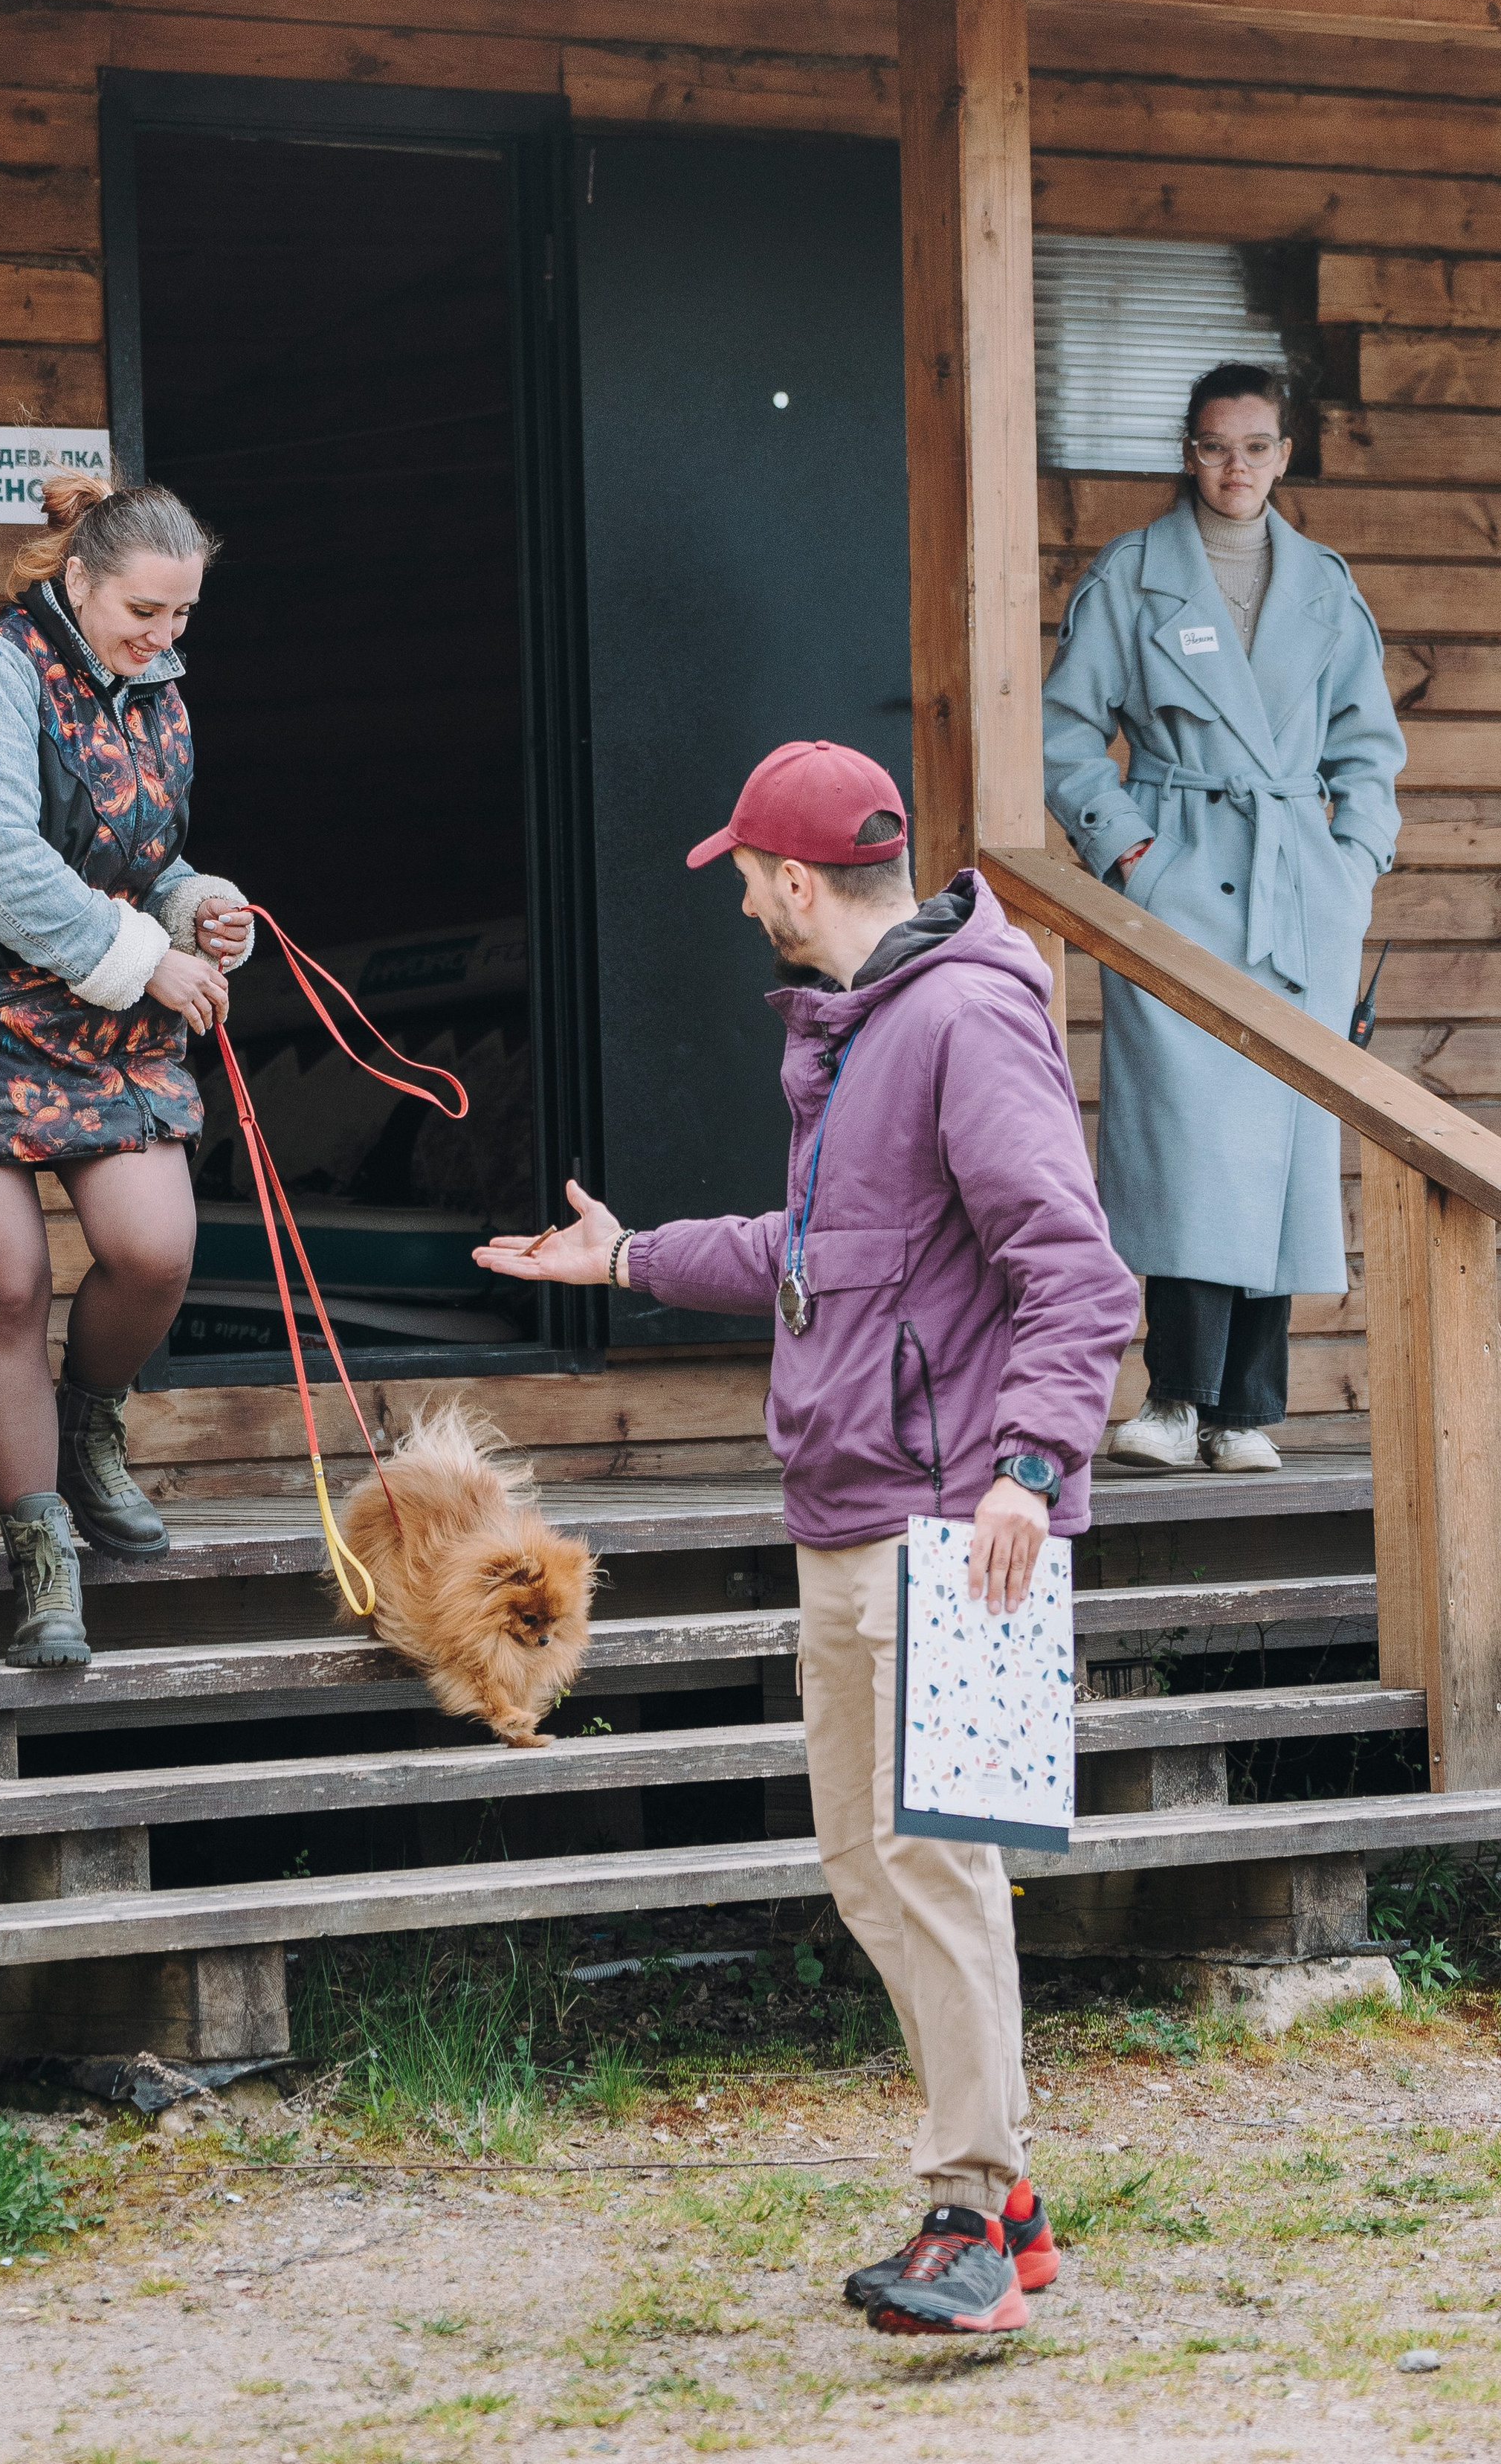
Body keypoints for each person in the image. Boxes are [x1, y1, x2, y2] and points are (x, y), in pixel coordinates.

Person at [476, 740, 1138, 2338]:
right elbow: (813, 1250)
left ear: (787, 878)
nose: (745, 901)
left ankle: (971, 2211)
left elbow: (1075, 1268)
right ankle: (1011, 2198)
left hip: (958, 1517)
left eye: (747, 876)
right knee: (863, 1858)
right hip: (843, 1503)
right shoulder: (858, 1031)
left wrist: (1025, 1469)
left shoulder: (963, 1016)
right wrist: (629, 1255)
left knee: (939, 1860)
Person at [0, 476, 254, 1668]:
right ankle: (41, 1553)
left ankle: (90, 1428)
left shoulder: (157, 696)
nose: (164, 636)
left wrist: (199, 908)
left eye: (181, 616)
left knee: (155, 1250)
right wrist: (146, 960)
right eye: (144, 610)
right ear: (77, 578)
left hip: (96, 1018)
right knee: (8, 1284)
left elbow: (144, 856)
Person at [1042, 362, 1405, 1475]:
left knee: (1289, 1142)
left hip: (1301, 886)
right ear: (1186, 451)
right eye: (1213, 445)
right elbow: (1065, 736)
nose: (1234, 467)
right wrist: (1132, 854)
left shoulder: (1326, 588)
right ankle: (1174, 1397)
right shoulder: (1135, 575)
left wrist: (1354, 863)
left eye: (1255, 446)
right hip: (1183, 880)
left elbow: (1370, 752)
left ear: (1285, 454)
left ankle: (1248, 1408)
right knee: (1187, 1136)